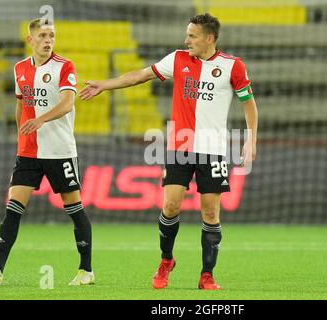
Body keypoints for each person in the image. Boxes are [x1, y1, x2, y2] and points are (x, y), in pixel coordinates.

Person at [80, 13, 258, 290]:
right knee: (170, 205)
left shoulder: (232, 66)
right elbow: (139, 76)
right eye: (187, 35)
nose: (186, 40)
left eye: (192, 36)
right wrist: (105, 84)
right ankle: (166, 260)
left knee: (210, 213)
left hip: (213, 150)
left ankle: (207, 275)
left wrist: (251, 139)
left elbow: (249, 103)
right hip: (180, 147)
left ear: (209, 39)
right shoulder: (177, 59)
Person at [0, 18, 94, 286]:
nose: (48, 40)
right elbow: (20, 104)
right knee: (13, 208)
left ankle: (86, 270)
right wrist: (21, 136)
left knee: (74, 208)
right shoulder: (20, 69)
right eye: (42, 35)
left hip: (59, 150)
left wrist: (40, 120)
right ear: (31, 39)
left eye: (51, 35)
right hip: (29, 152)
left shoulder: (65, 66)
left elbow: (67, 104)